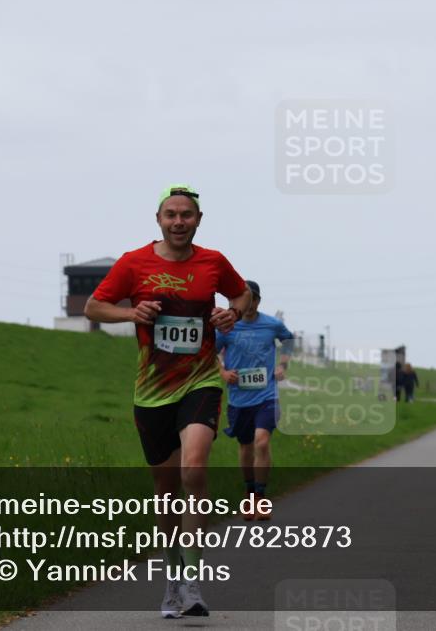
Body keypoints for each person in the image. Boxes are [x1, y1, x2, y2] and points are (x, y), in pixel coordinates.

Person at [84, 184, 251, 619]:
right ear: (158, 220)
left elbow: (241, 294)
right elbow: (94, 307)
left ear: (198, 220)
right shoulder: (133, 263)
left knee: (194, 467)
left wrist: (231, 312)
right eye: (171, 215)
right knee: (166, 486)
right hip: (153, 388)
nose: (179, 222)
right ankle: (172, 578)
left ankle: (193, 578)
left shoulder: (214, 262)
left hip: (201, 380)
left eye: (187, 215)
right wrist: (130, 313)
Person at [216, 280, 294, 522]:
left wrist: (282, 365)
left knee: (262, 442)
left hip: (266, 395)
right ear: (234, 302)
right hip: (239, 398)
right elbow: (210, 353)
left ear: (258, 301)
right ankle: (249, 493)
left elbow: (289, 340)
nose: (248, 305)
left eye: (252, 300)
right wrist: (222, 373)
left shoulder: (272, 324)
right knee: (246, 446)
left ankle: (260, 497)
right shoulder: (226, 328)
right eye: (243, 300)